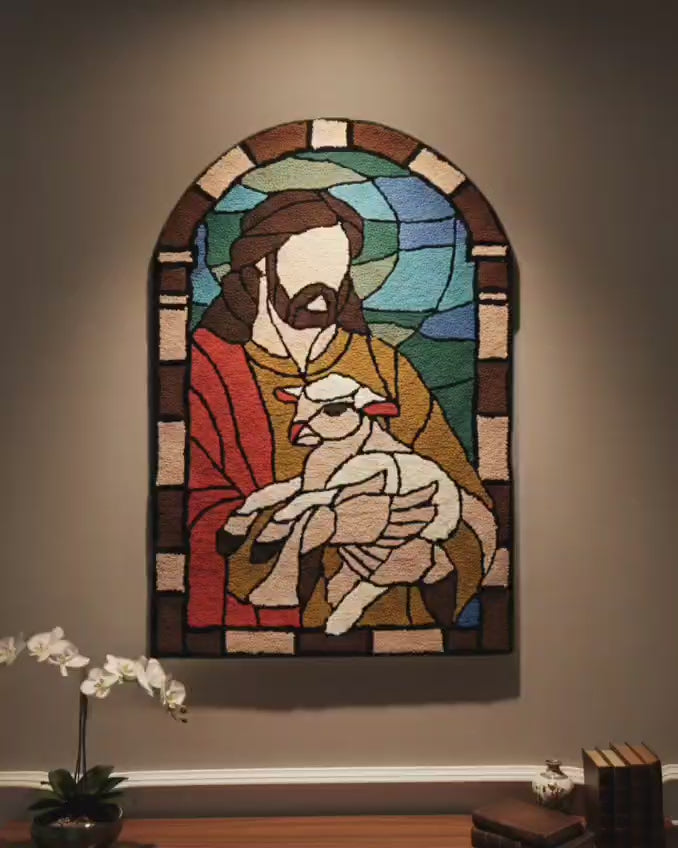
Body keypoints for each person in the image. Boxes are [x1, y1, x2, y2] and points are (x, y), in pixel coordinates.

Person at [188, 189, 493, 632]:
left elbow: (467, 500)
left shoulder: (384, 368)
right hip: (264, 624)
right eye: (306, 264)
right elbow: (194, 516)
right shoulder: (208, 371)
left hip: (390, 614)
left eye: (336, 268)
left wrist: (425, 554)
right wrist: (331, 524)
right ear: (261, 265)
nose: (324, 287)